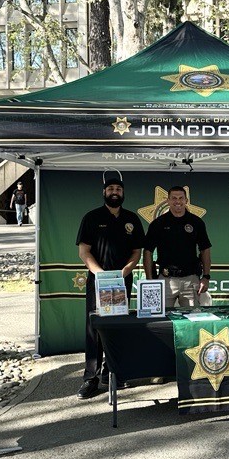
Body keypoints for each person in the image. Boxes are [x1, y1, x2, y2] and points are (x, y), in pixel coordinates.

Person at [75, 171, 144, 400]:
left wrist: (126, 270)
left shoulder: (132, 219)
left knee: (117, 326)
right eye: (111, 189)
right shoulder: (91, 217)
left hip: (123, 281)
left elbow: (137, 251)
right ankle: (91, 378)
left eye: (118, 190)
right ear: (104, 192)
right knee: (95, 329)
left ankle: (112, 372)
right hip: (98, 282)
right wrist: (102, 274)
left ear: (123, 193)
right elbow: (84, 251)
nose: (115, 193)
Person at [143, 186, 212, 308]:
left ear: (186, 200)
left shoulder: (196, 222)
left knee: (192, 319)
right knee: (160, 319)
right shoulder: (158, 224)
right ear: (168, 201)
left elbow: (205, 249)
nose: (177, 201)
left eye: (181, 198)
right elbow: (147, 251)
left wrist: (206, 276)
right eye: (174, 198)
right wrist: (150, 280)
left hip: (190, 280)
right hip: (165, 280)